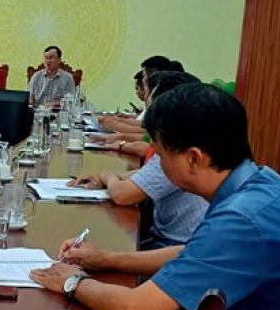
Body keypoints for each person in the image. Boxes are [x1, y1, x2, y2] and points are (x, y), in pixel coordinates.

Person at [31, 83, 280, 310]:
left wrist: (72, 282)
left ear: (193, 158)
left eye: (161, 156)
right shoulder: (258, 184)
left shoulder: (242, 220)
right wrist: (106, 259)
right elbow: (195, 253)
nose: (159, 165)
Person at [74, 72, 206, 248]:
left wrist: (107, 176)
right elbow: (147, 173)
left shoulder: (178, 150)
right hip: (169, 242)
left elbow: (122, 195)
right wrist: (105, 177)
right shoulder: (184, 142)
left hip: (172, 245)